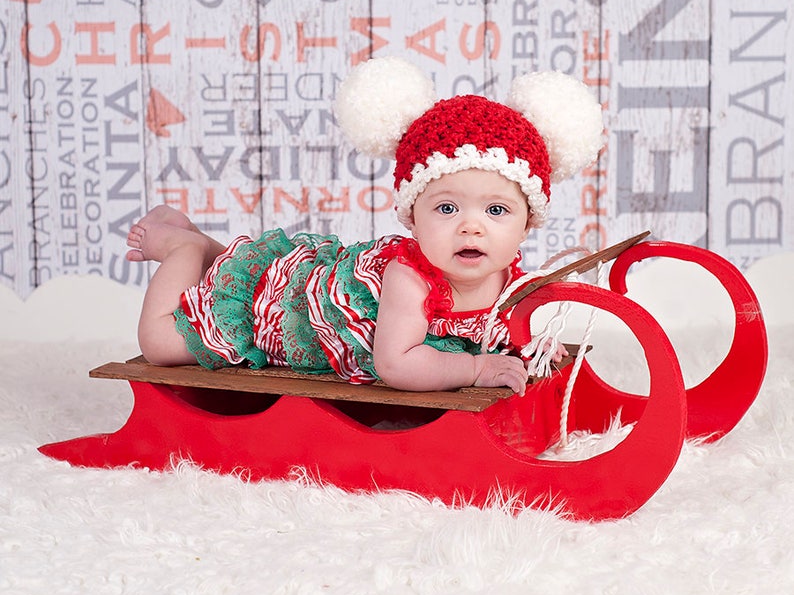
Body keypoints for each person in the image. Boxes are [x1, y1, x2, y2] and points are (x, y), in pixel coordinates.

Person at [125, 57, 604, 395]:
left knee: (240, 274)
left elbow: (495, 326)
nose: (471, 229)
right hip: (289, 315)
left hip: (295, 282)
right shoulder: (410, 277)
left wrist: (531, 344)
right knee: (161, 343)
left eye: (496, 211)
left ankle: (204, 252)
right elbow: (396, 363)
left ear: (527, 225)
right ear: (412, 217)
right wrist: (478, 368)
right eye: (446, 209)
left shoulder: (506, 277)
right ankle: (181, 248)